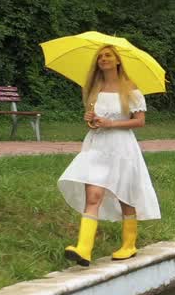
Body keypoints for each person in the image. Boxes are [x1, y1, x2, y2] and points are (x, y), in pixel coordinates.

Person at [59, 46, 161, 265]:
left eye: (108, 55)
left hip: (122, 147)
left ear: (118, 61)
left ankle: (129, 244)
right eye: (100, 57)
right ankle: (84, 249)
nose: (103, 59)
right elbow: (97, 120)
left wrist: (111, 123)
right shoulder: (95, 89)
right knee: (93, 195)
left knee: (125, 196)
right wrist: (92, 120)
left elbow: (140, 121)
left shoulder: (130, 89)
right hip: (97, 146)